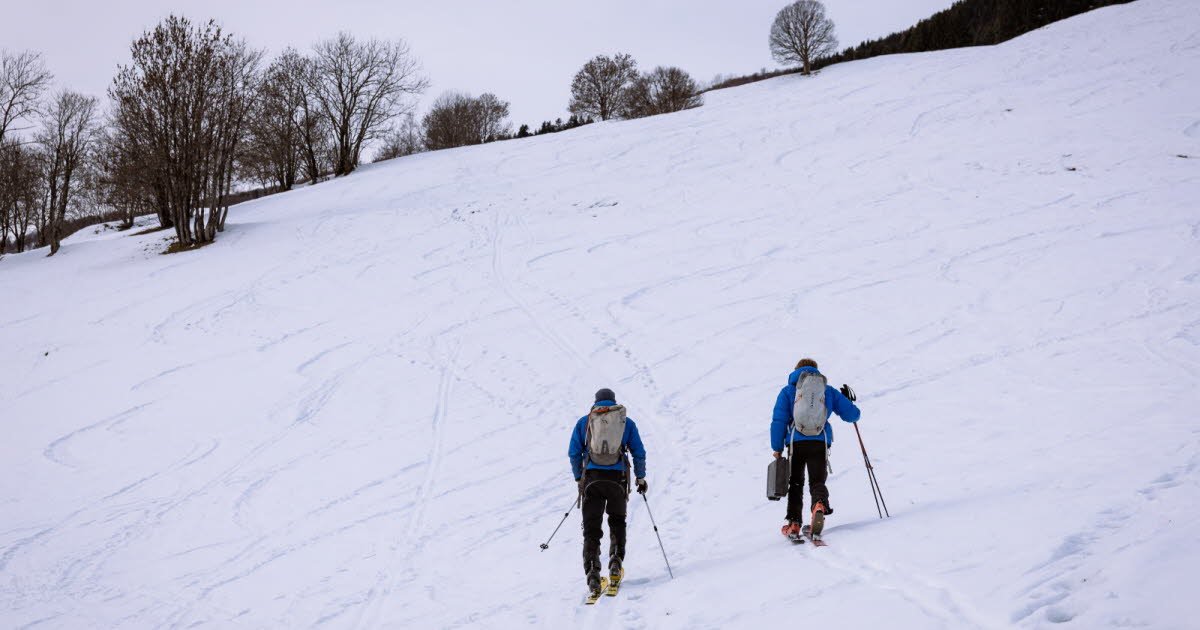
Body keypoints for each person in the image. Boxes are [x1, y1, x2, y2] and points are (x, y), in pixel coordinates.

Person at [569, 388, 647, 595]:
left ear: (596, 402)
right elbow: (639, 452)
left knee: (591, 528)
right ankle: (616, 561)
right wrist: (640, 478)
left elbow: (574, 453)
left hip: (592, 481)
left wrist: (578, 478)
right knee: (617, 521)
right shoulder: (625, 422)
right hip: (617, 480)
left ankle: (593, 573)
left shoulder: (585, 422)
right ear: (613, 401)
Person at [771, 358, 860, 540]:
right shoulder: (827, 390)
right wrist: (846, 400)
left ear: (797, 371)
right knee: (817, 481)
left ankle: (794, 523)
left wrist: (777, 448)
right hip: (820, 442)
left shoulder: (788, 391)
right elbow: (853, 415)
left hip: (796, 443)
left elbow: (778, 421)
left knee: (796, 482)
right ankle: (818, 505)